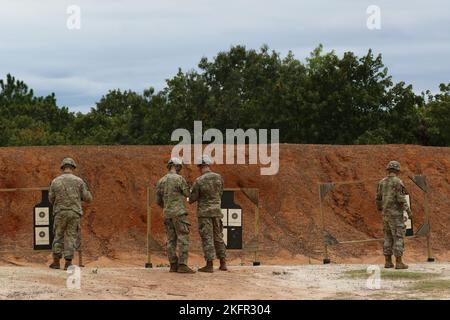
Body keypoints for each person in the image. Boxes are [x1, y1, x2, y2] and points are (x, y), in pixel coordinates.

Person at [49, 158, 92, 270]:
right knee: (71, 236)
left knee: (58, 235)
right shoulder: (79, 181)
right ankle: (68, 263)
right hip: (74, 213)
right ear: (73, 167)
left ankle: (56, 262)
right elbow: (88, 199)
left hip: (60, 212)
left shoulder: (55, 181)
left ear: (63, 167)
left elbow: (51, 198)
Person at [156, 158, 195, 273]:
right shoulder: (179, 179)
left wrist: (167, 207)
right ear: (178, 167)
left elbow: (158, 201)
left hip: (167, 214)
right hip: (179, 213)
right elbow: (188, 194)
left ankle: (173, 265)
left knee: (171, 240)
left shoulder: (161, 181)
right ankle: (182, 265)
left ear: (169, 166)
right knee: (183, 237)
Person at [189, 155, 227, 273]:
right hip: (216, 212)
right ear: (209, 165)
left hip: (204, 213)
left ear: (200, 166)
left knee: (207, 238)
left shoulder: (199, 181)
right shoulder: (218, 178)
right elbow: (221, 193)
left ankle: (209, 265)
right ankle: (223, 263)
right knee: (218, 236)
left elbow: (192, 198)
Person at [376, 160, 412, 269]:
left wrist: (380, 208)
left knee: (387, 237)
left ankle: (388, 262)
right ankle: (399, 262)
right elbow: (401, 198)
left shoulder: (381, 182)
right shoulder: (398, 182)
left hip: (386, 214)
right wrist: (409, 212)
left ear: (388, 170)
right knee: (398, 237)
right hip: (396, 215)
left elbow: (378, 198)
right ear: (397, 170)